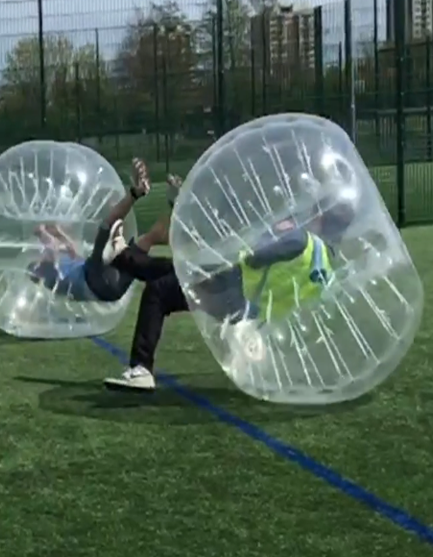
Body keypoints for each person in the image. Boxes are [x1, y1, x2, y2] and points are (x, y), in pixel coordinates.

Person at [105, 202, 356, 392]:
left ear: (320, 218)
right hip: (244, 310)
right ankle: (122, 257)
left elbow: (257, 256)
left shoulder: (303, 240)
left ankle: (141, 369)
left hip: (233, 282)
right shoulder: (327, 269)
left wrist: (274, 230)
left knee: (160, 291)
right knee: (179, 273)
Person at [27, 159, 177, 303]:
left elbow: (71, 249)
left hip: (112, 289)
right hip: (93, 281)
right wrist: (43, 233)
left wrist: (59, 234)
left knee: (147, 239)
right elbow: (52, 249)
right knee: (105, 229)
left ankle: (175, 208)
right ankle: (134, 197)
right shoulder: (48, 271)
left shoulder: (60, 268)